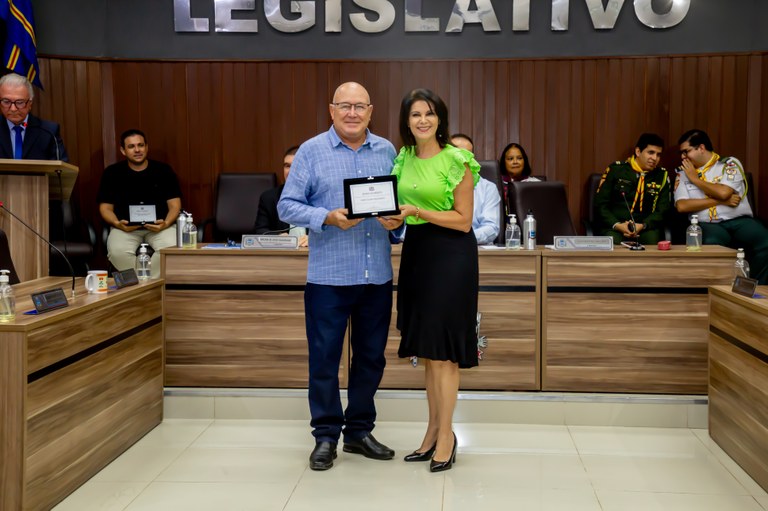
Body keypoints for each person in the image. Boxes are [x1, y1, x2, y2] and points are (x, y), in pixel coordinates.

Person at [277, 82, 401, 471]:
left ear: (371, 111)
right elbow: (286, 206)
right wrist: (326, 217)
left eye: (359, 106)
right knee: (324, 360)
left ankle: (359, 432)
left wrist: (397, 223)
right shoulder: (311, 151)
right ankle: (326, 436)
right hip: (328, 278)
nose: (352, 113)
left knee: (371, 359)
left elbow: (397, 208)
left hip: (376, 276)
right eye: (344, 106)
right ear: (331, 110)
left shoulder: (387, 151)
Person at [392, 89, 479, 473]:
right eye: (415, 114)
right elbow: (400, 210)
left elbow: (463, 220)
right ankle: (431, 432)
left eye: (429, 113)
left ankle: (447, 436)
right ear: (406, 121)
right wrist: (394, 219)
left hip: (451, 256)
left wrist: (417, 210)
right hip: (417, 253)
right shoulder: (404, 157)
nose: (422, 120)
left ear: (440, 118)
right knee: (428, 352)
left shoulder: (456, 159)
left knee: (444, 353)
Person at [675, 129, 768, 284]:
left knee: (766, 241)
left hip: (739, 220)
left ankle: (751, 286)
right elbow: (682, 206)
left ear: (701, 148)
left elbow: (724, 192)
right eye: (681, 153)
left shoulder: (729, 164)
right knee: (712, 243)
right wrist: (720, 201)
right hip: (708, 224)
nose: (682, 157)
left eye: (686, 151)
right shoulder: (683, 173)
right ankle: (720, 291)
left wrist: (696, 180)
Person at [97, 129, 182, 278]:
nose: (137, 150)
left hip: (160, 227)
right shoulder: (112, 173)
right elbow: (105, 208)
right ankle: (144, 284)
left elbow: (175, 205)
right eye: (131, 146)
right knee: (117, 252)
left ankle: (142, 284)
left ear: (146, 147)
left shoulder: (163, 170)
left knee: (172, 248)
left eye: (140, 145)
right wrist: (117, 224)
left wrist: (166, 223)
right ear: (123, 150)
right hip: (125, 229)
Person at [595, 133, 671, 246]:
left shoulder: (662, 176)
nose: (655, 158)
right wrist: (617, 224)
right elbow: (600, 204)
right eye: (651, 152)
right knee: (612, 242)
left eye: (658, 154)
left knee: (652, 241)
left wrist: (643, 225)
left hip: (645, 227)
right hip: (616, 226)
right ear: (638, 151)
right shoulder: (616, 170)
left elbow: (663, 210)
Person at [0, 73, 68, 161]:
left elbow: (61, 167)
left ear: (30, 104)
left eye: (20, 102)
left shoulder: (48, 132)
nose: (13, 109)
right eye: (6, 102)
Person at [450, 133, 501, 245]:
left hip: (475, 246)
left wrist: (462, 240)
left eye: (468, 155)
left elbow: (491, 228)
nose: (463, 159)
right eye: (458, 154)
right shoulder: (435, 185)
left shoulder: (488, 188)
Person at [254, 146, 308, 247]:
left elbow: (332, 231)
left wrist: (314, 239)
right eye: (287, 166)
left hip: (313, 252)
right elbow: (260, 231)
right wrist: (278, 237)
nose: (290, 171)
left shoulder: (320, 197)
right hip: (283, 252)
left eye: (296, 166)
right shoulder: (269, 198)